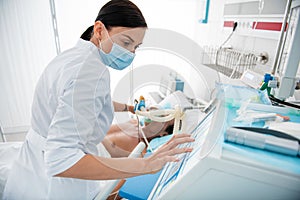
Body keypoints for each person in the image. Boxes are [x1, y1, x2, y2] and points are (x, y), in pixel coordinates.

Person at [3, 0, 194, 199]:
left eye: (136, 47)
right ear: (99, 29)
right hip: (49, 186)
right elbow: (61, 160)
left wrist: (129, 107)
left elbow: (82, 103)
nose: (130, 53)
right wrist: (146, 165)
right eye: (126, 42)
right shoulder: (90, 73)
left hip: (30, 168)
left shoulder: (74, 58)